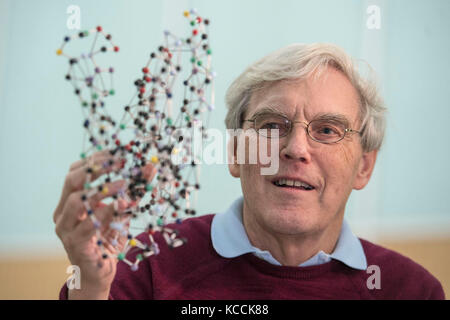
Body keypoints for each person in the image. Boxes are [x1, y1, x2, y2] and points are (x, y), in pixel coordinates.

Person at [54, 43, 445, 300]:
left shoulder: (409, 290)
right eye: (271, 126)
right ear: (237, 151)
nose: (295, 149)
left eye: (327, 130)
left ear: (364, 165)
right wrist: (86, 281)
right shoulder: (146, 265)